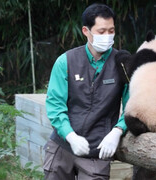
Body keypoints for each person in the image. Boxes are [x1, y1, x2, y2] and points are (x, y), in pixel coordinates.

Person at [43, 3, 129, 180]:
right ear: (85, 31)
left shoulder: (123, 63)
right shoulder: (65, 62)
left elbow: (133, 106)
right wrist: (70, 136)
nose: (107, 36)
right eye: (101, 31)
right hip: (63, 146)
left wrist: (118, 131)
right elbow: (55, 104)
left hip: (97, 150)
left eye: (111, 31)